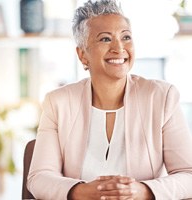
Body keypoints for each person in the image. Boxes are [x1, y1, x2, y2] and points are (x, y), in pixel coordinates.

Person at [27, 0, 192, 199]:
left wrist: (143, 191)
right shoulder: (57, 102)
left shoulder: (162, 97)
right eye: (105, 39)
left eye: (126, 37)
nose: (119, 47)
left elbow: (188, 175)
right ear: (82, 55)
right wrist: (84, 192)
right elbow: (39, 178)